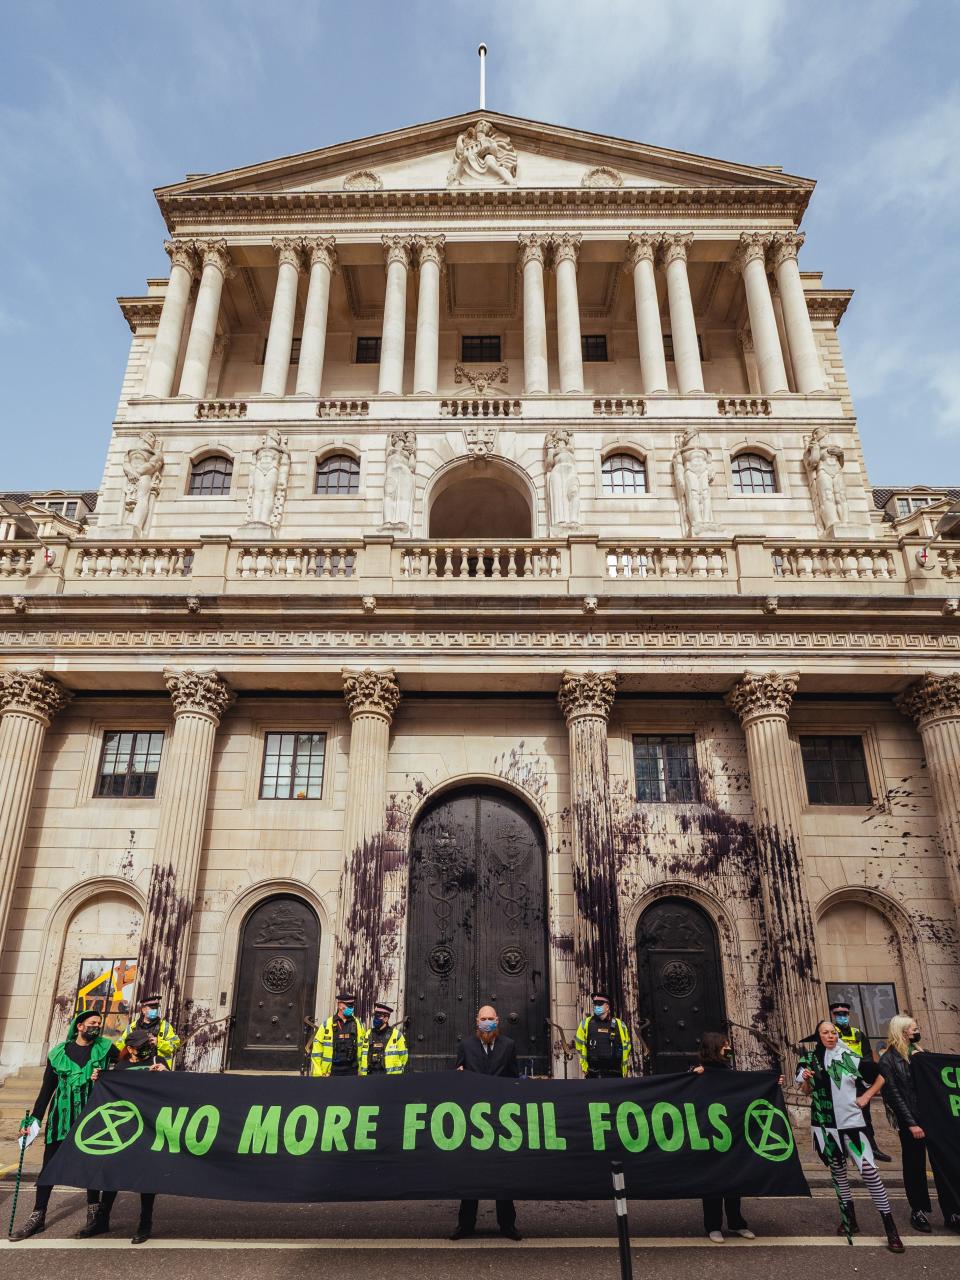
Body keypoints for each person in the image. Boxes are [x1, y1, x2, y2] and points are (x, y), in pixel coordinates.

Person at [9, 1008, 118, 1242]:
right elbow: (46, 1090)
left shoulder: (105, 1048)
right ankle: (37, 1216)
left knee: (92, 1164)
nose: (96, 1026)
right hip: (61, 1118)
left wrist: (108, 1074)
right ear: (79, 1026)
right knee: (49, 1166)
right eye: (92, 1023)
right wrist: (33, 1120)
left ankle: (94, 1213)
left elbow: (127, 1067)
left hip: (92, 1118)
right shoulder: (59, 1053)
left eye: (98, 1023)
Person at [796, 1019, 904, 1253]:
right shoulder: (810, 1060)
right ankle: (850, 1221)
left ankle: (890, 1228)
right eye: (825, 1032)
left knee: (869, 1172)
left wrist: (866, 1098)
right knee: (838, 1173)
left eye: (833, 1032)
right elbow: (806, 1091)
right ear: (818, 1036)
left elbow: (883, 1074)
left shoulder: (850, 1057)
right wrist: (806, 1080)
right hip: (826, 1127)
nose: (831, 1035)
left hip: (852, 1125)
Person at [76, 1028, 168, 1243]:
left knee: (146, 1177)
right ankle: (102, 1219)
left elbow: (170, 1088)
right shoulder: (121, 1067)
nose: (148, 1047)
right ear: (130, 1048)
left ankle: (145, 1223)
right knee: (113, 1172)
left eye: (149, 1043)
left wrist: (164, 1072)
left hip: (150, 1126)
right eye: (143, 1045)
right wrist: (99, 1079)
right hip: (126, 1127)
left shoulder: (158, 1059)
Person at [878, 1014, 960, 1234]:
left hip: (934, 1118)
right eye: (914, 1028)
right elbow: (894, 1095)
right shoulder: (889, 1060)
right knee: (914, 1166)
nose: (917, 1031)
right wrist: (911, 1123)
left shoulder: (920, 1055)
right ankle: (919, 1211)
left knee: (944, 1163)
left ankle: (953, 1212)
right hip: (911, 1121)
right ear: (903, 1031)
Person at [449, 1005, 522, 1242]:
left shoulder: (508, 1045)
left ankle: (507, 1225)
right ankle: (465, 1224)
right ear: (476, 1021)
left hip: (501, 1119)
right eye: (483, 1019)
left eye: (491, 1019)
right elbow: (458, 1075)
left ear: (498, 1021)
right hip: (473, 1118)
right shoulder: (466, 1046)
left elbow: (513, 1078)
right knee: (470, 1173)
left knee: (504, 1173)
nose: (487, 1022)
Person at [691, 1032, 758, 1242]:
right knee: (711, 1180)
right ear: (713, 1048)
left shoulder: (731, 1072)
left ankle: (737, 1223)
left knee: (733, 1179)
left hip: (731, 1133)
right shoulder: (698, 1072)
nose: (728, 1048)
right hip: (707, 1134)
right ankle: (713, 1226)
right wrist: (693, 1075)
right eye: (724, 1045)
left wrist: (771, 1081)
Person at [829, 999, 890, 1161]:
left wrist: (866, 1076)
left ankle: (873, 1148)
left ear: (849, 1015)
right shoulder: (830, 1033)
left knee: (865, 1116)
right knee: (840, 1116)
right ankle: (843, 1150)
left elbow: (868, 1056)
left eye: (844, 1014)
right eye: (838, 1014)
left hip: (859, 1081)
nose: (841, 1016)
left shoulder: (858, 1033)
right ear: (833, 1015)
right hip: (840, 1081)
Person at [115, 991, 181, 1069]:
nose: (155, 1010)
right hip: (136, 1066)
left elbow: (175, 1044)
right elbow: (120, 1045)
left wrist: (159, 1043)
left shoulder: (165, 1026)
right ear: (143, 1010)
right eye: (152, 1008)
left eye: (156, 1008)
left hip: (157, 1066)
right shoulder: (133, 1027)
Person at [574, 992, 631, 1079]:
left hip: (615, 1074)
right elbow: (579, 1047)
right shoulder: (585, 1024)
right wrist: (584, 1069)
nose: (597, 1007)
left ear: (607, 1007)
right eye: (595, 1004)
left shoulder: (620, 1025)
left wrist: (625, 1071)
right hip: (593, 1074)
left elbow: (627, 1048)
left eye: (600, 1004)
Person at [309, 993, 366, 1078]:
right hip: (331, 1072)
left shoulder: (358, 1024)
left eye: (352, 1006)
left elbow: (363, 1049)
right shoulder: (327, 1024)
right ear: (340, 1005)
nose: (351, 1008)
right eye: (348, 1005)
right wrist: (318, 1074)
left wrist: (362, 1072)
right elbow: (316, 1051)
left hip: (352, 1071)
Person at [360, 1002, 408, 1075]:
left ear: (386, 1018)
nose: (375, 1019)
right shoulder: (368, 1034)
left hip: (390, 1079)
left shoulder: (396, 1035)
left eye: (378, 1016)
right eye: (375, 1016)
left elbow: (403, 1058)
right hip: (371, 1077)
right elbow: (364, 1056)